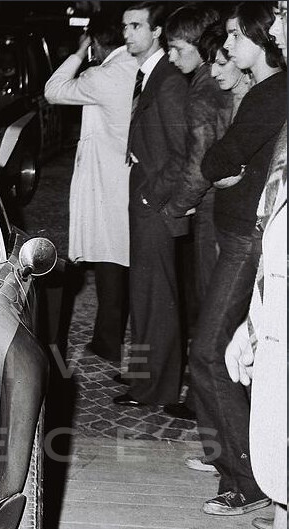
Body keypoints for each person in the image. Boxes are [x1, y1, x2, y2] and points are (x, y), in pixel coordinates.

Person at [192, 1, 286, 518]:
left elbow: (220, 158)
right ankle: (228, 457)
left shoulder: (275, 92)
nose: (226, 46)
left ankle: (247, 478)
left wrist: (227, 164)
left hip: (248, 239)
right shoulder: (263, 90)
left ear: (262, 39)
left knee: (209, 353)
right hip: (236, 233)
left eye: (236, 36)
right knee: (218, 350)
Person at [44, 13, 138, 364]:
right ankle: (116, 337)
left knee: (109, 258)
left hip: (107, 181)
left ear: (96, 42)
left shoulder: (101, 76)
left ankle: (107, 341)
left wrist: (78, 53)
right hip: (131, 175)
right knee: (125, 258)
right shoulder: (137, 67)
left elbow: (53, 90)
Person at [111, 2, 189, 410]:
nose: (127, 34)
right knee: (143, 294)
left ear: (157, 31)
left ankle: (156, 388)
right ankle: (144, 378)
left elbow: (183, 153)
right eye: (125, 26)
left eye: (136, 26)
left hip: (155, 205)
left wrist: (150, 196)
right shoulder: (150, 75)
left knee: (156, 298)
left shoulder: (169, 81)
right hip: (144, 196)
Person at [158, 5, 234, 421]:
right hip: (220, 204)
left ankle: (208, 408)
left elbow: (198, 164)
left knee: (211, 307)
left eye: (177, 48)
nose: (171, 58)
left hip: (211, 209)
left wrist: (175, 206)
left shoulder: (203, 91)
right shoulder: (217, 81)